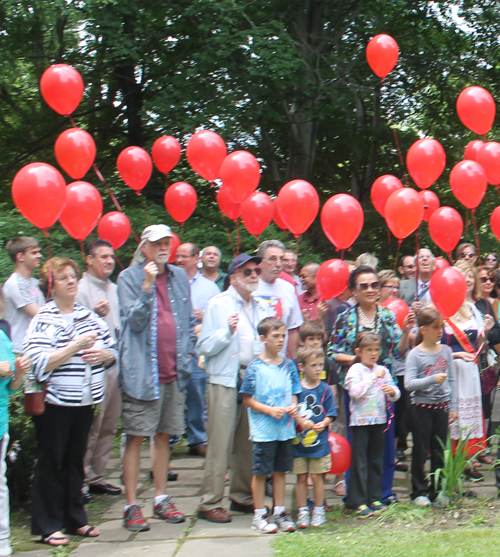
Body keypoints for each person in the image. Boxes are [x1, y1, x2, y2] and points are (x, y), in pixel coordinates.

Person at [24, 257, 117, 547]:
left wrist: (106, 356)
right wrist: (74, 346)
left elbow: (112, 349)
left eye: (73, 276)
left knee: (76, 460)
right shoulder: (43, 318)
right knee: (51, 462)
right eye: (63, 277)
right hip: (55, 402)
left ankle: (75, 518)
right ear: (51, 286)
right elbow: (36, 362)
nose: (71, 281)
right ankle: (48, 525)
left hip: (86, 401)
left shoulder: (88, 316)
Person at [118, 225, 196, 532]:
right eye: (157, 243)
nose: (164, 247)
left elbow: (188, 321)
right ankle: (131, 504)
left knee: (164, 436)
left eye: (167, 242)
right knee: (136, 436)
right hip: (142, 373)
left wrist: (187, 357)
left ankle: (161, 498)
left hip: (173, 372)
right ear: (145, 248)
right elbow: (133, 323)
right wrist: (147, 286)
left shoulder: (178, 276)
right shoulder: (128, 278)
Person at [197, 254, 273, 523]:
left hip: (253, 381)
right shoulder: (219, 304)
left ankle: (241, 496)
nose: (254, 275)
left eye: (256, 271)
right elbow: (203, 347)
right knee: (220, 443)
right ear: (233, 278)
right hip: (225, 380)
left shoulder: (263, 307)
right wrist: (225, 334)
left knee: (247, 443)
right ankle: (210, 502)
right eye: (247, 271)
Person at [328, 265, 413, 505]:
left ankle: (382, 493)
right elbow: (332, 351)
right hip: (356, 391)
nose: (370, 289)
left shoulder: (387, 316)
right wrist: (359, 361)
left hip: (383, 391)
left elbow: (399, 350)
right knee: (358, 445)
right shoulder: (346, 317)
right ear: (353, 290)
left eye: (374, 285)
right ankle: (357, 496)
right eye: (363, 285)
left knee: (384, 445)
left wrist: (406, 331)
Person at [240, 317, 301, 533]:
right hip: (263, 432)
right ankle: (259, 514)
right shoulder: (255, 368)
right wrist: (269, 410)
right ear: (263, 339)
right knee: (261, 472)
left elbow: (295, 393)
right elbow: (247, 399)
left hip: (284, 430)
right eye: (275, 336)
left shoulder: (289, 365)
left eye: (283, 336)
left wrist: (293, 406)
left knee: (281, 471)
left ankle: (280, 511)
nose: (281, 340)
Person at [77, 239, 122, 502]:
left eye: (111, 257)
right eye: (103, 256)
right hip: (90, 363)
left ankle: (97, 476)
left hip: (114, 358)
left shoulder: (115, 289)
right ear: (90, 259)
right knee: (91, 424)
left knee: (109, 423)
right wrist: (92, 312)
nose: (108, 261)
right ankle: (80, 479)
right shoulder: (80, 288)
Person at [442, 262, 494, 479]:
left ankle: (469, 460)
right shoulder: (442, 307)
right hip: (452, 370)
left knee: (471, 415)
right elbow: (436, 346)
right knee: (455, 414)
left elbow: (480, 343)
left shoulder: (472, 308)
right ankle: (454, 461)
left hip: (471, 371)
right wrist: (456, 355)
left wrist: (487, 330)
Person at [405, 308, 457, 506]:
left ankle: (438, 490)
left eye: (441, 326)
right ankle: (419, 491)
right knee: (419, 449)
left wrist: (453, 406)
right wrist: (432, 379)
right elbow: (409, 383)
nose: (440, 330)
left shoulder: (446, 351)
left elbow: (452, 379)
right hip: (421, 408)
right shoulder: (415, 355)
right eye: (435, 327)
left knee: (439, 450)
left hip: (442, 408)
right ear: (423, 329)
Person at [344, 332, 400, 518]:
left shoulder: (383, 370)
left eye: (376, 350)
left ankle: (374, 497)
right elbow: (355, 392)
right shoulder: (355, 370)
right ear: (358, 351)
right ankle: (358, 501)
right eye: (369, 350)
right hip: (360, 422)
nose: (373, 353)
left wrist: (391, 390)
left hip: (379, 420)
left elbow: (396, 393)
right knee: (360, 462)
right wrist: (373, 377)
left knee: (376, 460)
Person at [175, 243, 220, 457]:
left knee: (196, 395)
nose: (180, 260)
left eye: (184, 256)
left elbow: (218, 318)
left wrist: (203, 318)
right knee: (172, 395)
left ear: (195, 258)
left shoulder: (210, 288)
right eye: (178, 256)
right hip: (171, 349)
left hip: (195, 349)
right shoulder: (169, 282)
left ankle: (197, 439)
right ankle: (170, 438)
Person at [0, 288, 31, 557]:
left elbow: (12, 387)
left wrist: (19, 372)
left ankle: (2, 543)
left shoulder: (2, 337)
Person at [293, 346, 336, 528]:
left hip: (319, 444)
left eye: (321, 365)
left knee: (318, 477)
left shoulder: (325, 389)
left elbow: (332, 413)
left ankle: (319, 510)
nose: (319, 369)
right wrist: (300, 421)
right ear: (301, 367)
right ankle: (303, 511)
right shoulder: (296, 389)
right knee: (301, 478)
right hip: (298, 444)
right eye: (314, 365)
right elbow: (292, 410)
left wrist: (324, 422)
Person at [254, 240, 303, 359]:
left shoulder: (288, 288)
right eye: (272, 259)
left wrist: (292, 361)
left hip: (279, 361)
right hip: (252, 360)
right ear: (260, 263)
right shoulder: (251, 286)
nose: (278, 264)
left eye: (281, 259)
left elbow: (293, 328)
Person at [2, 237, 44, 354]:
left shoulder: (35, 282)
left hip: (35, 348)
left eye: (38, 252)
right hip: (19, 350)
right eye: (34, 253)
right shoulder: (14, 284)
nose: (39, 255)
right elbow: (40, 315)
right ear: (20, 257)